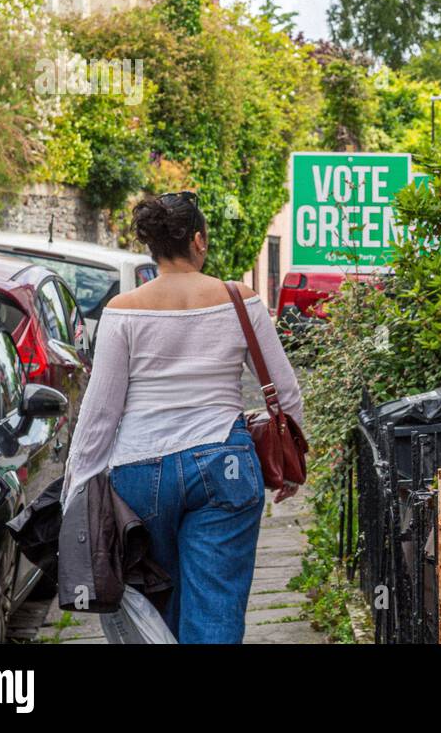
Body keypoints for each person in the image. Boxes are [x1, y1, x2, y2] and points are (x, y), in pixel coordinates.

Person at [62, 191, 303, 643]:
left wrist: (78, 487)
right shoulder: (240, 301)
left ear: (151, 248)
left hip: (139, 472)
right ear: (199, 240)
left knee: (155, 605)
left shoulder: (123, 311)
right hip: (223, 465)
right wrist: (290, 466)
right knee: (215, 608)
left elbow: (100, 413)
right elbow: (285, 391)